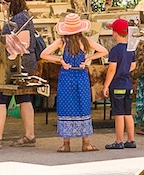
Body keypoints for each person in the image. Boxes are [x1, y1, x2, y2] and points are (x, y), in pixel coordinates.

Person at [43, 13, 101, 152]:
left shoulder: (62, 42)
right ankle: (86, 143)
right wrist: (88, 59)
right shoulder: (85, 41)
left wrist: (60, 61)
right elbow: (103, 51)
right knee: (83, 106)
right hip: (81, 76)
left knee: (65, 106)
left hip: (66, 76)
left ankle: (66, 144)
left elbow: (44, 54)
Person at [0, 0, 43, 144]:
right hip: (17, 62)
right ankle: (29, 134)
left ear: (10, 2)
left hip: (20, 63)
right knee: (24, 98)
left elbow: (23, 44)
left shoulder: (21, 18)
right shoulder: (18, 17)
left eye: (4, 2)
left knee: (2, 96)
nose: (2, 5)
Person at [103, 19, 139, 151]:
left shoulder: (114, 50)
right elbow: (133, 65)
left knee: (118, 113)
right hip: (128, 84)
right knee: (127, 113)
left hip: (117, 85)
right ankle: (131, 139)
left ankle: (119, 141)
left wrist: (106, 85)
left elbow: (112, 69)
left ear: (115, 33)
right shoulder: (131, 48)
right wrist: (124, 70)